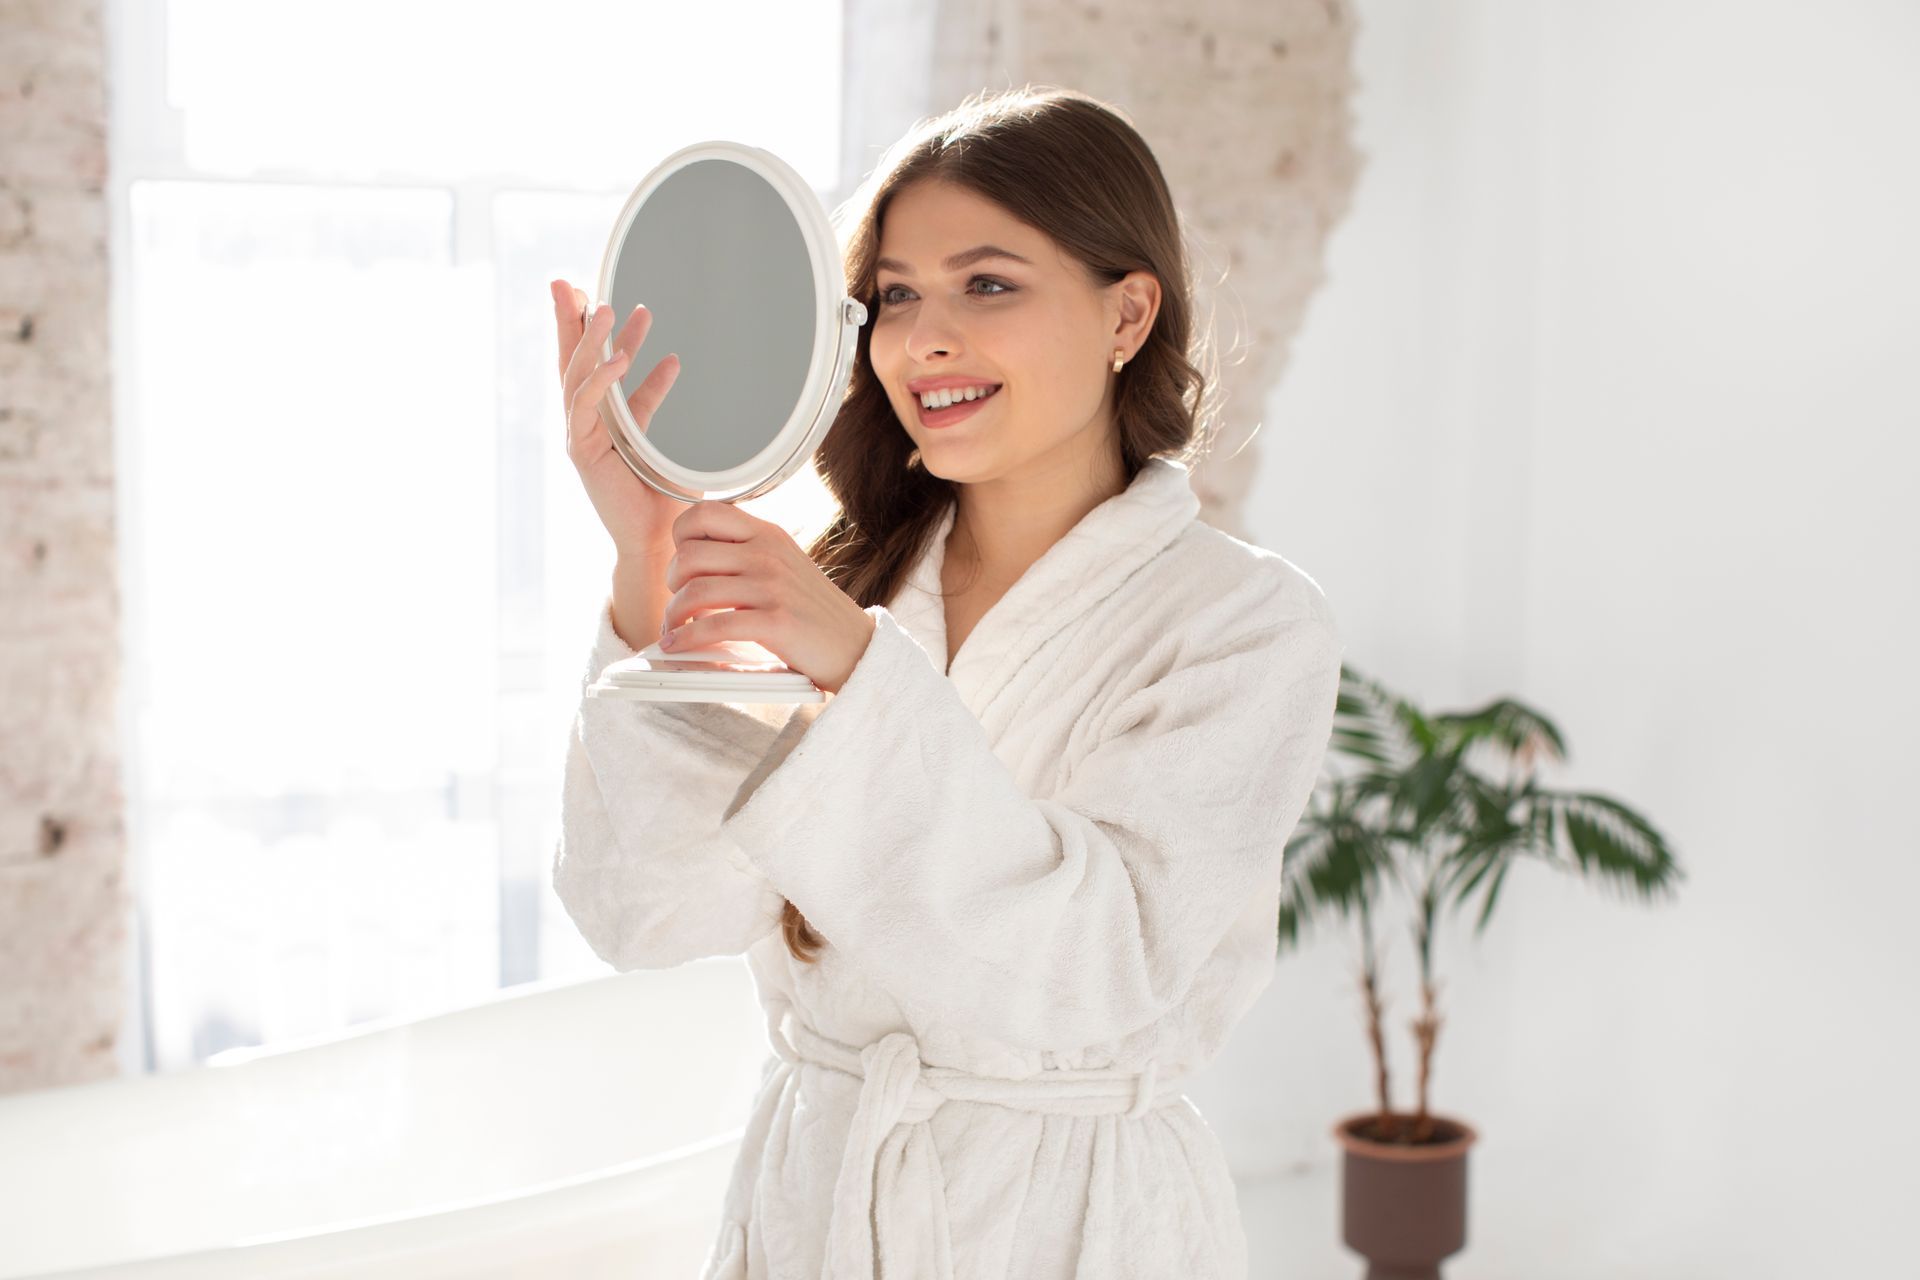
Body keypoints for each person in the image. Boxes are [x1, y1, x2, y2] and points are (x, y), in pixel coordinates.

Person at [550, 85, 1344, 1280]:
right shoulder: (835, 583)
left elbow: (1098, 968)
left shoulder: (1244, 623)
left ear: (1128, 312)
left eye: (989, 284)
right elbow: (651, 910)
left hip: (1073, 1224)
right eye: (897, 296)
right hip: (816, 1203)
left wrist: (862, 672)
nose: (923, 340)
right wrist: (644, 564)